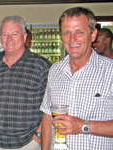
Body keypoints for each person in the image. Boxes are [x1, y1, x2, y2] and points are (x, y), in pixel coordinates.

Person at [40, 7, 113, 150]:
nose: (72, 39)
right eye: (67, 33)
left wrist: (83, 126)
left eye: (79, 32)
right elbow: (48, 117)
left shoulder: (110, 71)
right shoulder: (55, 70)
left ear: (93, 35)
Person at [0, 16, 51, 150]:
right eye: (5, 34)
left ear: (24, 37)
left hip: (29, 143)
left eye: (14, 34)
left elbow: (53, 104)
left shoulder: (41, 65)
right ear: (0, 38)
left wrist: (39, 135)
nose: (9, 39)